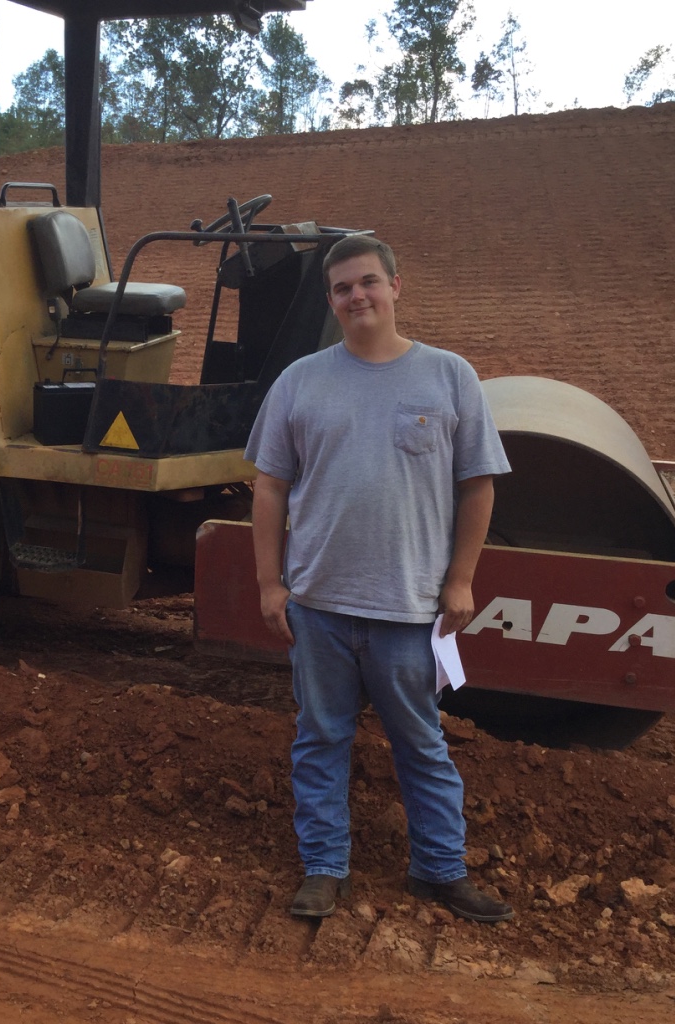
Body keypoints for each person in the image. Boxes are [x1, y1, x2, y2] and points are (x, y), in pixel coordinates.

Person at [245, 232, 514, 924]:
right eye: (342, 288)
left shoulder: (449, 376)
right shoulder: (300, 381)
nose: (357, 296)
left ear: (397, 286)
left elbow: (478, 485)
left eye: (368, 282)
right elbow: (269, 488)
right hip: (320, 608)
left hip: (409, 610)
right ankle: (324, 868)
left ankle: (439, 869)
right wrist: (272, 585)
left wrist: (462, 580)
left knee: (421, 744)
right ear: (331, 300)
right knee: (320, 738)